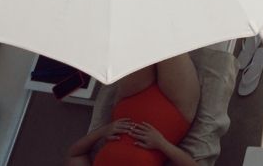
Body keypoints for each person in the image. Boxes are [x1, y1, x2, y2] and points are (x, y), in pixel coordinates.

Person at [66, 52, 201, 166]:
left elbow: (75, 154)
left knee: (140, 35)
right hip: (174, 108)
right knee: (167, 40)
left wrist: (103, 131)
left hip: (130, 98)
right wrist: (162, 144)